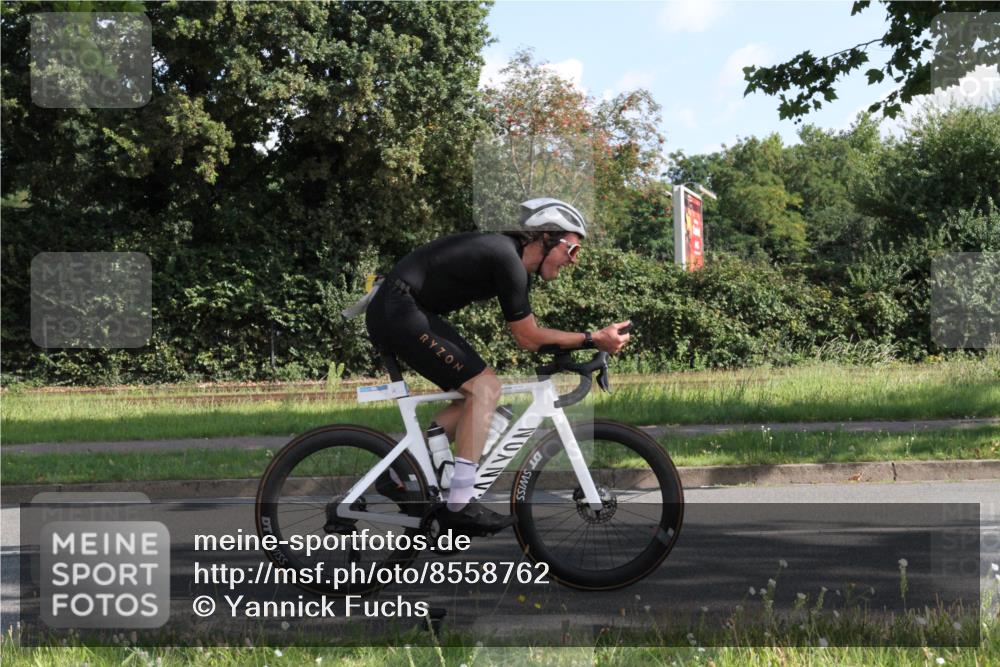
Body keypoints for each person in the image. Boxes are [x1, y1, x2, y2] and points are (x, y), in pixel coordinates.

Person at [365, 198, 631, 534]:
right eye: (572, 250)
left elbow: (531, 336)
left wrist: (573, 346)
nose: (573, 261)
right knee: (486, 388)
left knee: (478, 397)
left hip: (401, 310)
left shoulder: (512, 265)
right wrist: (593, 338)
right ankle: (460, 503)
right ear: (546, 237)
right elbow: (528, 337)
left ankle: (400, 475)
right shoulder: (506, 257)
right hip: (399, 309)